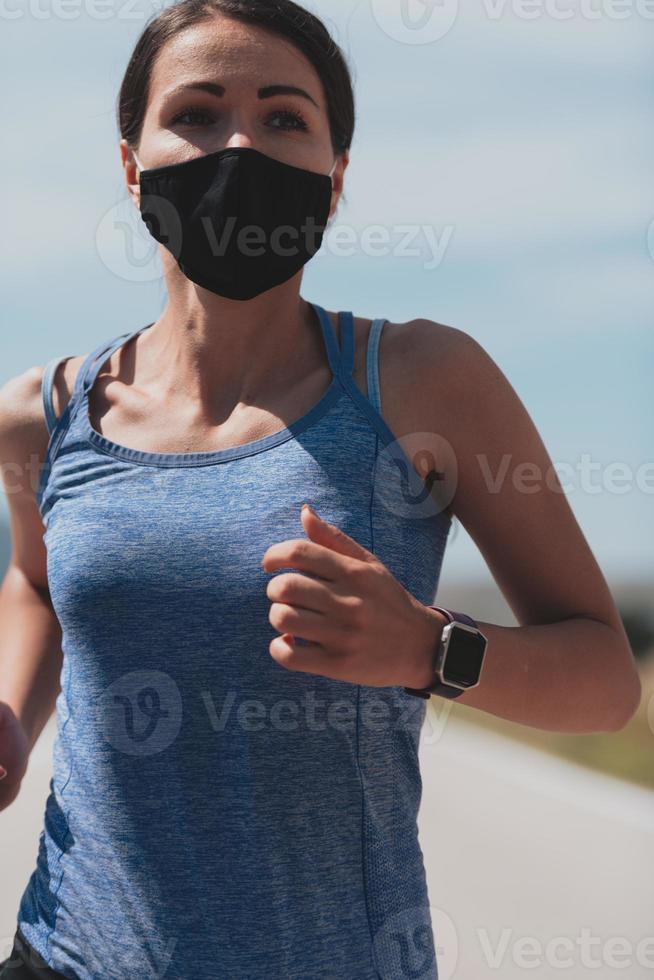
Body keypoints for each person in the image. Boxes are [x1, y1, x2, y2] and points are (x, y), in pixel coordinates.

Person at [0, 0, 641, 977]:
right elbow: (39, 585)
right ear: (131, 165)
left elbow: (603, 679)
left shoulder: (425, 381)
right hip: (60, 951)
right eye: (199, 113)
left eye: (285, 117)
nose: (240, 143)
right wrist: (9, 711)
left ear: (336, 181)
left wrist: (428, 646)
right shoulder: (41, 414)